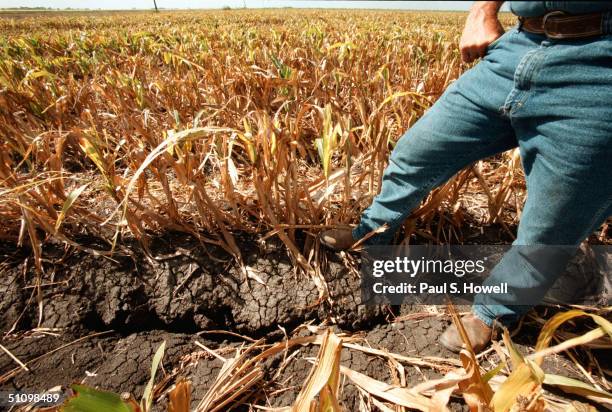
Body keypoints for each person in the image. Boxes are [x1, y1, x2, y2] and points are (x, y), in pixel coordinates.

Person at [319, 1, 612, 352]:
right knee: (416, 151)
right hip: (519, 46)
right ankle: (372, 232)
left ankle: (493, 312)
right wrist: (483, 10)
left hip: (600, 68)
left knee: (553, 224)